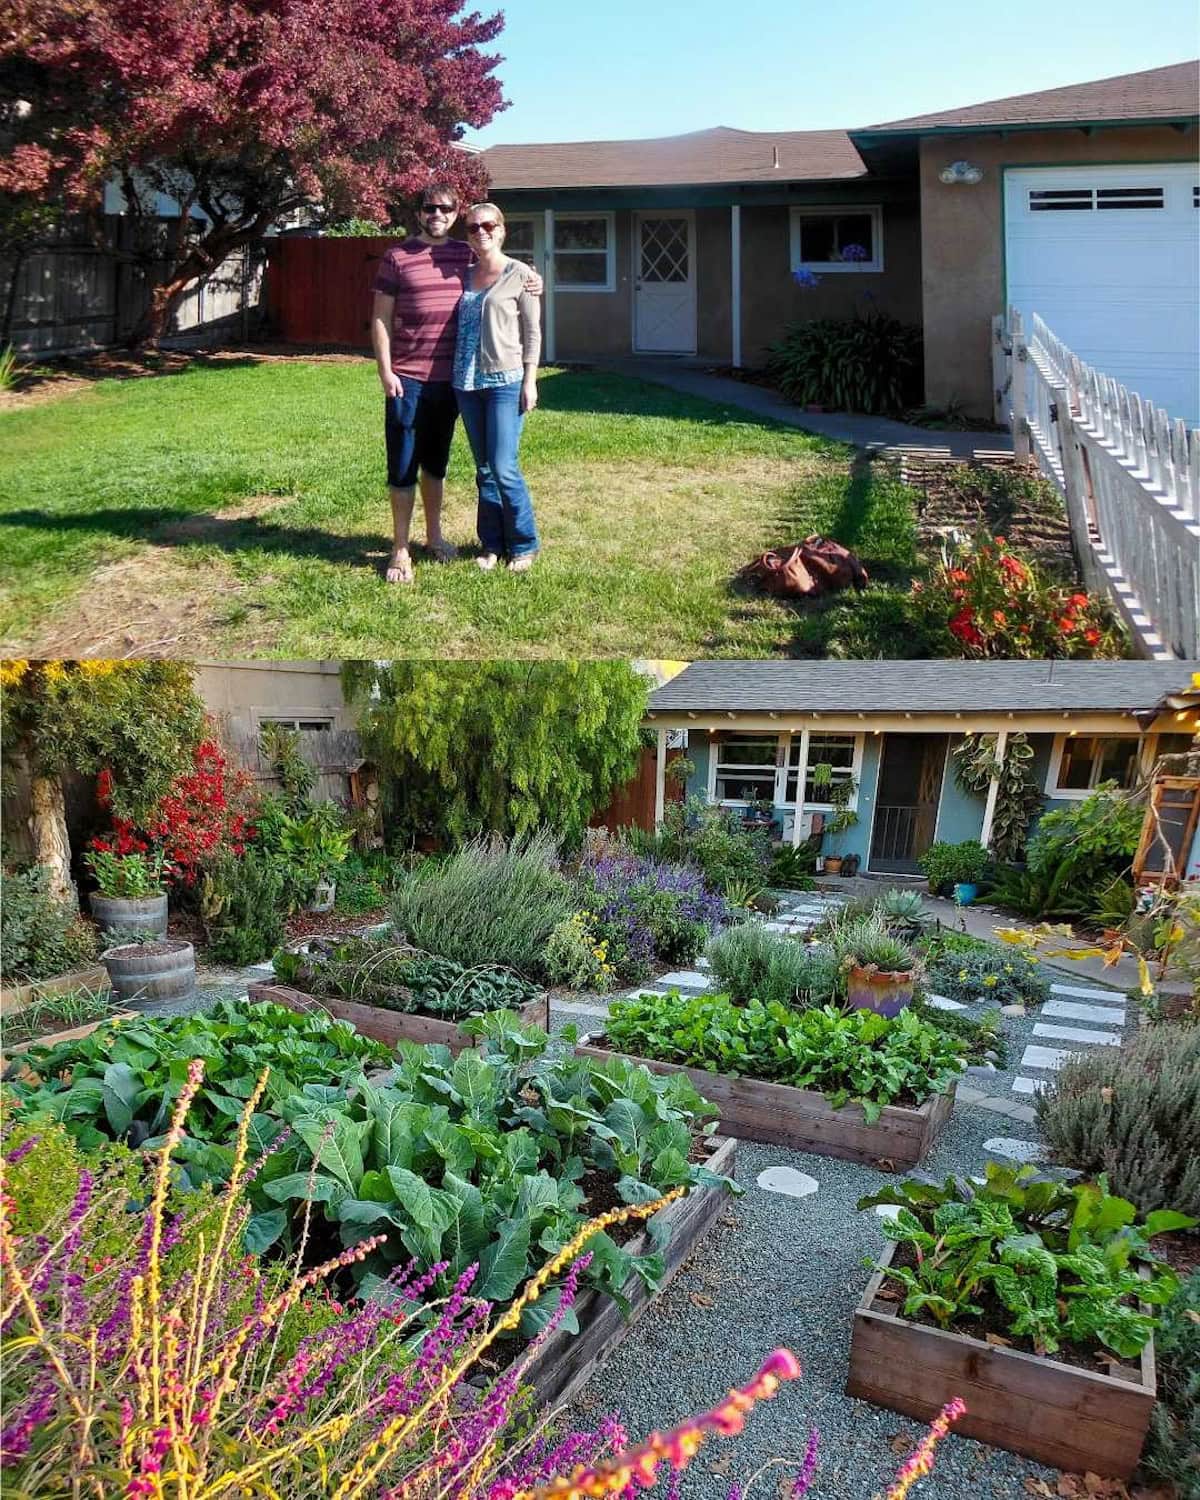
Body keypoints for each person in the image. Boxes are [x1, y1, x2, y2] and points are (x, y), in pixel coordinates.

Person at [369, 185, 541, 584]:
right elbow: (380, 318)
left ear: (455, 214)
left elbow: (507, 274)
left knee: (439, 465)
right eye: (430, 207)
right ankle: (399, 550)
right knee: (403, 465)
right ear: (419, 213)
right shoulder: (397, 257)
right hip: (408, 379)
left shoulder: (466, 255)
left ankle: (436, 538)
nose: (437, 214)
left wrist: (535, 279)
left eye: (446, 209)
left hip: (453, 382)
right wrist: (386, 370)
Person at [451, 203, 542, 573]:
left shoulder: (520, 274)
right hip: (466, 383)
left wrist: (531, 380)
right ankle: (491, 545)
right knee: (484, 469)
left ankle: (524, 544)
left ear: (502, 230)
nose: (481, 232)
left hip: (505, 381)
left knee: (504, 467)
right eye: (473, 228)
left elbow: (533, 332)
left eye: (488, 225)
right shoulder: (462, 274)